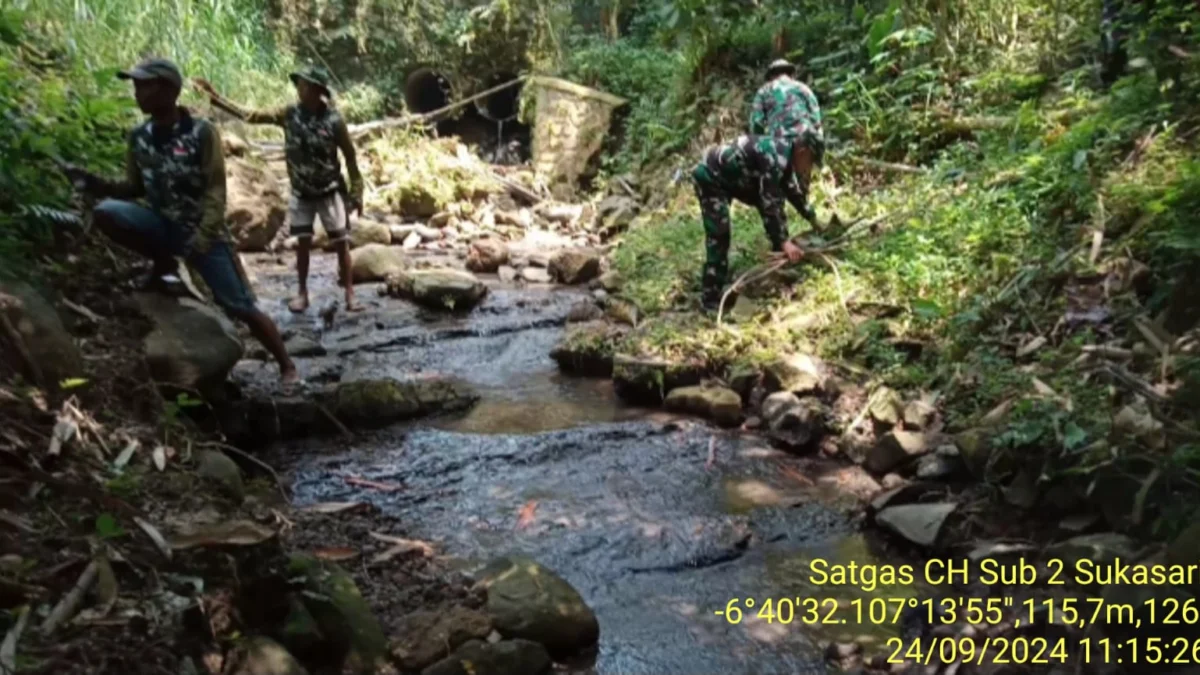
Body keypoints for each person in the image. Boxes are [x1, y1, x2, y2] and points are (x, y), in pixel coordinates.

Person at [62, 58, 299, 386]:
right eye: (136, 86)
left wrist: (202, 237)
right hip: (161, 224)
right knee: (108, 212)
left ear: (169, 91)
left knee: (239, 305)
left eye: (144, 86)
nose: (137, 93)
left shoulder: (201, 133)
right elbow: (132, 188)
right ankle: (164, 267)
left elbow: (216, 191)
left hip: (204, 233)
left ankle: (286, 364)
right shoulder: (139, 136)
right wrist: (92, 182)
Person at [193, 65, 364, 313]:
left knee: (341, 243)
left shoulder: (334, 121)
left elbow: (349, 156)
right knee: (303, 244)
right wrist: (216, 98)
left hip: (330, 191)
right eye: (299, 84)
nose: (299, 88)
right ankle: (302, 294)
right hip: (301, 192)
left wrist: (357, 192)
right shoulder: (289, 114)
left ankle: (350, 294)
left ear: (318, 90)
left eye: (304, 84)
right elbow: (251, 116)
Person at [690, 127, 824, 311]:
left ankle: (781, 269)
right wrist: (785, 242)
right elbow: (769, 205)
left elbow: (793, 193)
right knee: (719, 235)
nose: (810, 168)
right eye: (811, 161)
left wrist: (813, 219)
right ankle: (710, 299)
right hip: (711, 177)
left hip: (733, 179)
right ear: (803, 152)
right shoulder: (774, 158)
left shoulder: (785, 157)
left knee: (778, 211)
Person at [749, 59, 823, 140]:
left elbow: (757, 122)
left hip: (778, 142)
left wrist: (761, 140)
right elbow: (816, 119)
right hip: (803, 141)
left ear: (771, 75)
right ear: (790, 74)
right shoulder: (803, 88)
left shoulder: (764, 90)